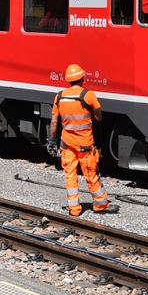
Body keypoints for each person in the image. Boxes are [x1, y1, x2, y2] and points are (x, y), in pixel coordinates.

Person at [47, 63, 118, 216]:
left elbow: (54, 122)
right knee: (91, 174)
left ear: (68, 80)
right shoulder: (88, 95)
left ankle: (74, 209)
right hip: (85, 144)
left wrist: (52, 140)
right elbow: (99, 116)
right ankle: (100, 205)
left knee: (70, 175)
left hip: (66, 144)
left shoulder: (59, 96)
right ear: (82, 78)